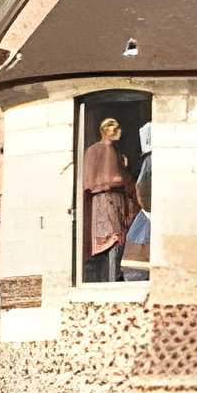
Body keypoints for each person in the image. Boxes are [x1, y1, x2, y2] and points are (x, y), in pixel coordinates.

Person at [79, 115, 140, 284]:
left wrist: (124, 169)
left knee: (119, 240)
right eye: (115, 128)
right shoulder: (94, 150)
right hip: (103, 200)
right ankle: (108, 280)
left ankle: (114, 278)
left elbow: (126, 180)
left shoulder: (118, 154)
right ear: (106, 131)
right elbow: (91, 181)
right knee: (111, 239)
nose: (119, 132)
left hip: (119, 200)